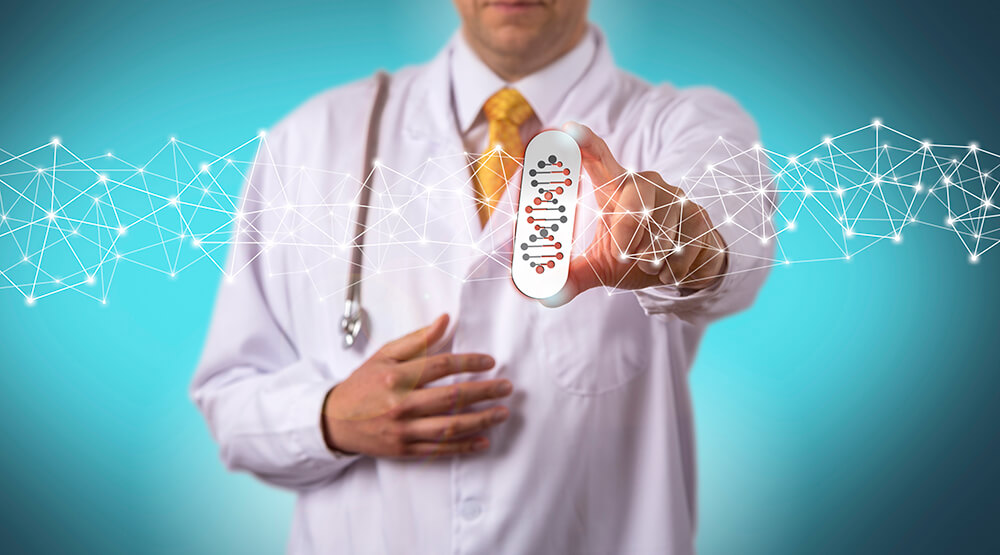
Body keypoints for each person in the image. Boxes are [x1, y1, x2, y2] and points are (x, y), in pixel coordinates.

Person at [191, 0, 775, 553]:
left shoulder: (686, 125)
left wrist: (671, 239)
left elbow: (727, 235)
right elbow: (230, 399)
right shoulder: (312, 138)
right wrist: (326, 418)